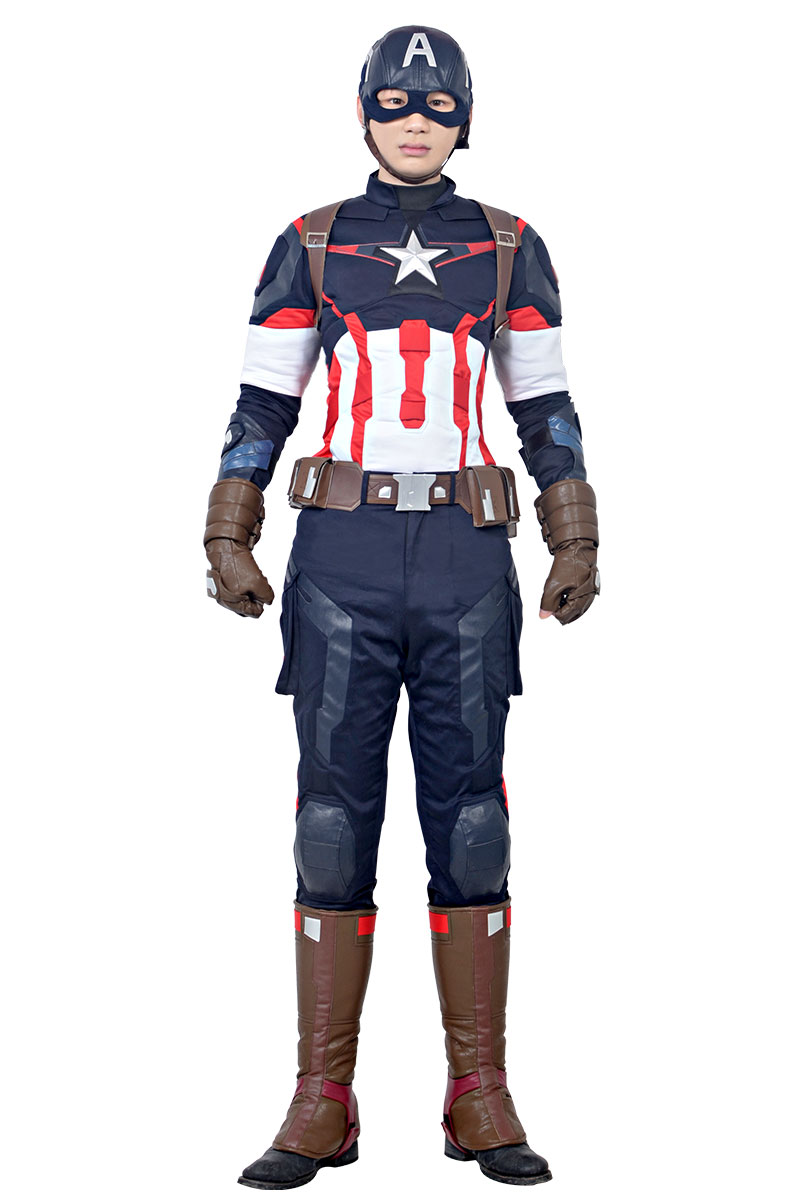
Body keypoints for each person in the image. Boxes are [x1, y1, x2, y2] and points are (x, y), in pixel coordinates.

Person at [204, 25, 599, 1190]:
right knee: (331, 820)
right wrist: (228, 526)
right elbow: (260, 400)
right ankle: (320, 1098)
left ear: (463, 118)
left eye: (435, 103)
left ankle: (478, 1092)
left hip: (469, 557)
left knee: (471, 820)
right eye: (392, 102)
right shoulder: (311, 243)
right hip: (341, 555)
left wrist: (573, 530)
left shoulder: (509, 246)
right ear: (363, 113)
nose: (413, 120)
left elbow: (545, 406)